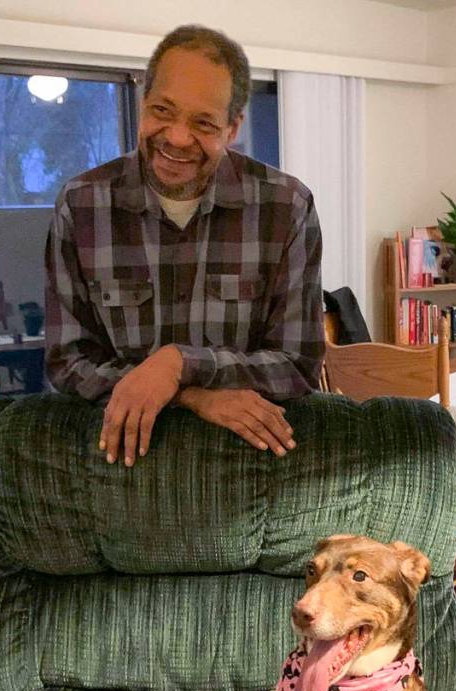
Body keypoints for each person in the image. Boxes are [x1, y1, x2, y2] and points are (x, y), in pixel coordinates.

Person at [45, 24, 325, 469]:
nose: (176, 137)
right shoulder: (81, 205)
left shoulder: (286, 206)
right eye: (163, 110)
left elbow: (297, 364)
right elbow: (66, 361)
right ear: (142, 103)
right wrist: (191, 394)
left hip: (246, 467)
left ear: (233, 128)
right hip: (121, 471)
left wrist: (178, 362)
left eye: (203, 123)